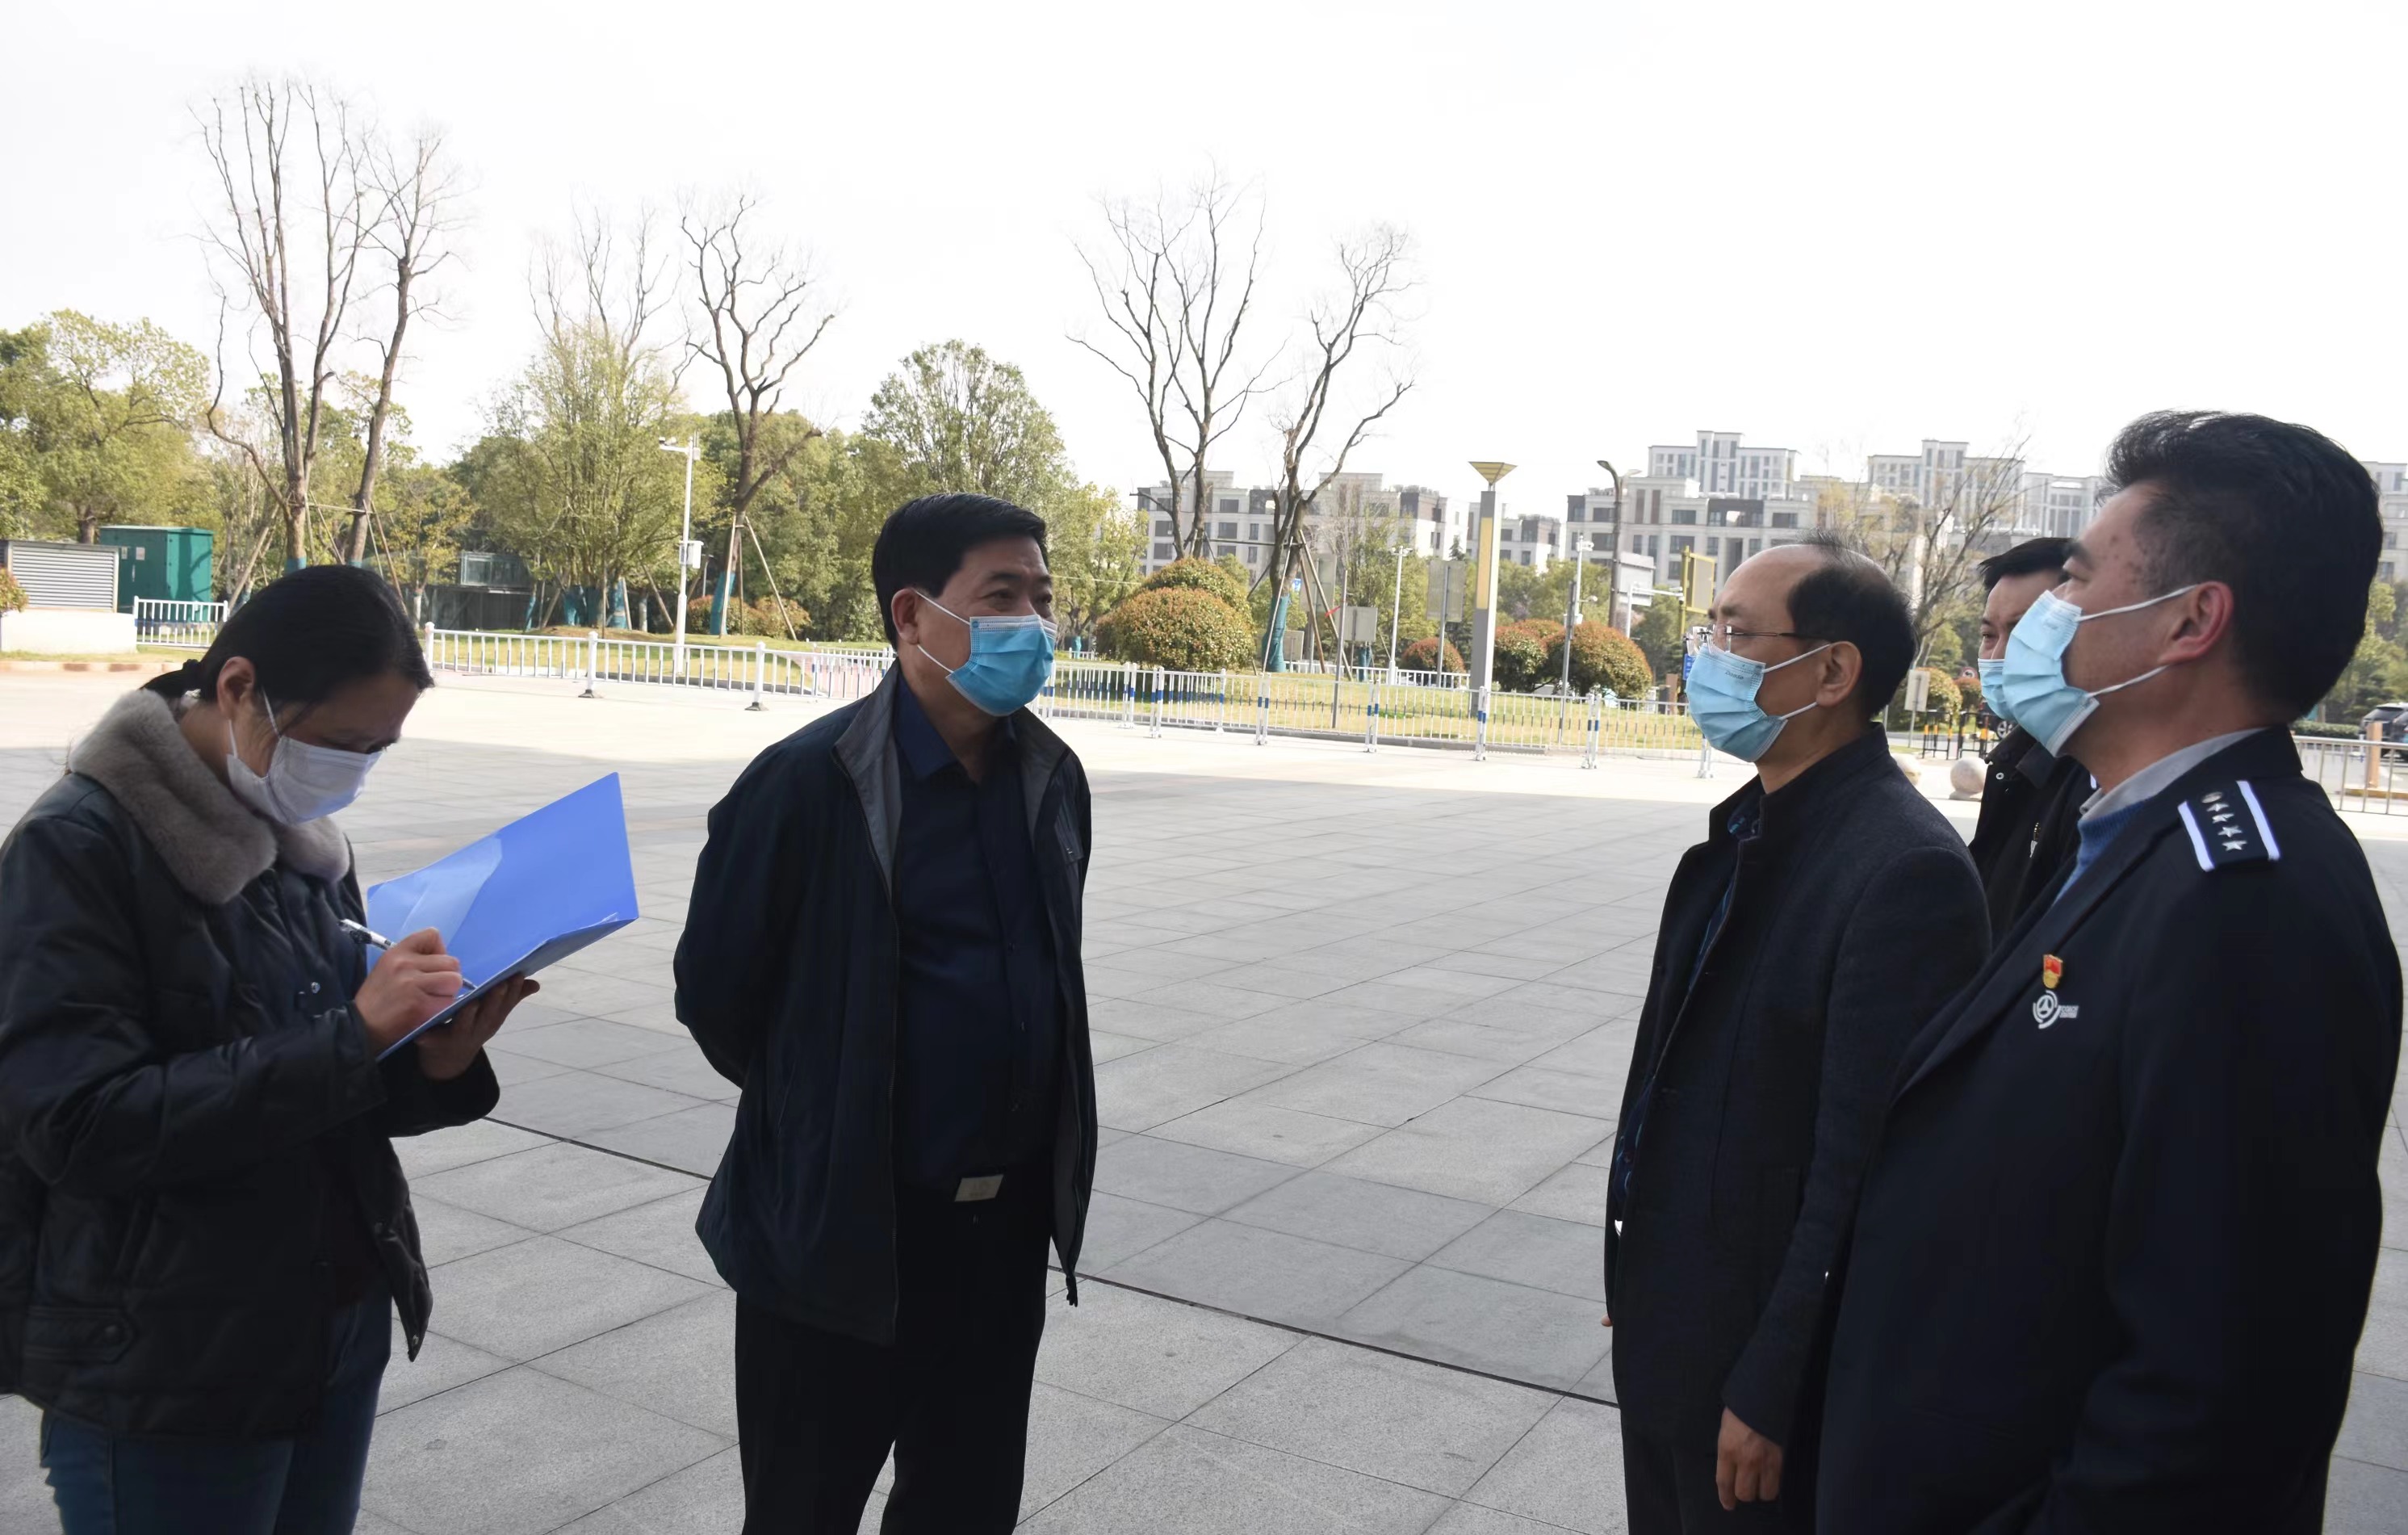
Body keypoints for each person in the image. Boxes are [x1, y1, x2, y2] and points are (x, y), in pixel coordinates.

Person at [1816, 412, 2402, 1533]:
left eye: (2077, 580)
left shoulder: (2246, 900)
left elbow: (2218, 1388)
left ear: (2188, 621)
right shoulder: (2125, 834)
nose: (2047, 612)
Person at [0, 565, 535, 1535]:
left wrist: (429, 1059)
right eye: (342, 743)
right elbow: (77, 1125)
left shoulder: (301, 841)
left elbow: (330, 1086)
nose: (353, 772)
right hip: (167, 1355)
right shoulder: (78, 846)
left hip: (326, 1321)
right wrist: (354, 1034)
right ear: (240, 687)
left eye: (379, 749)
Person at [676, 493, 1098, 1534]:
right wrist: (829, 1108)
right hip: (844, 1231)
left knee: (966, 1505)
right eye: (1001, 596)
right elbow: (717, 994)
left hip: (1000, 1239)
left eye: (1043, 598)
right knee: (802, 1508)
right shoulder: (803, 784)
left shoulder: (1051, 778)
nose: (1034, 623)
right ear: (912, 615)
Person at [1605, 534, 1990, 1532]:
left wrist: (1775, 1381)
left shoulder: (1902, 871)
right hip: (1673, 1322)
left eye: (1738, 633)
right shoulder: (1749, 829)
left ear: (1831, 671)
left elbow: (1859, 1165)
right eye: (1711, 628)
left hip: (1750, 1373)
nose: (1709, 656)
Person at [1966, 537, 2091, 938]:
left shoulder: (2099, 781)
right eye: (1989, 635)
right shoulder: (2013, 764)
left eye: (2023, 632)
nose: (1999, 655)